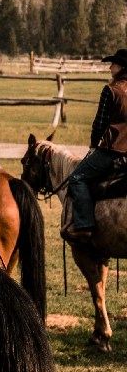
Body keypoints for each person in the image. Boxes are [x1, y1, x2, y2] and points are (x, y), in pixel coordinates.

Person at [63, 48, 127, 242]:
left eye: (113, 64)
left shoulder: (111, 90)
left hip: (113, 149)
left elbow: (100, 123)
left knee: (76, 178)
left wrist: (93, 145)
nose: (110, 67)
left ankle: (84, 225)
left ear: (122, 68)